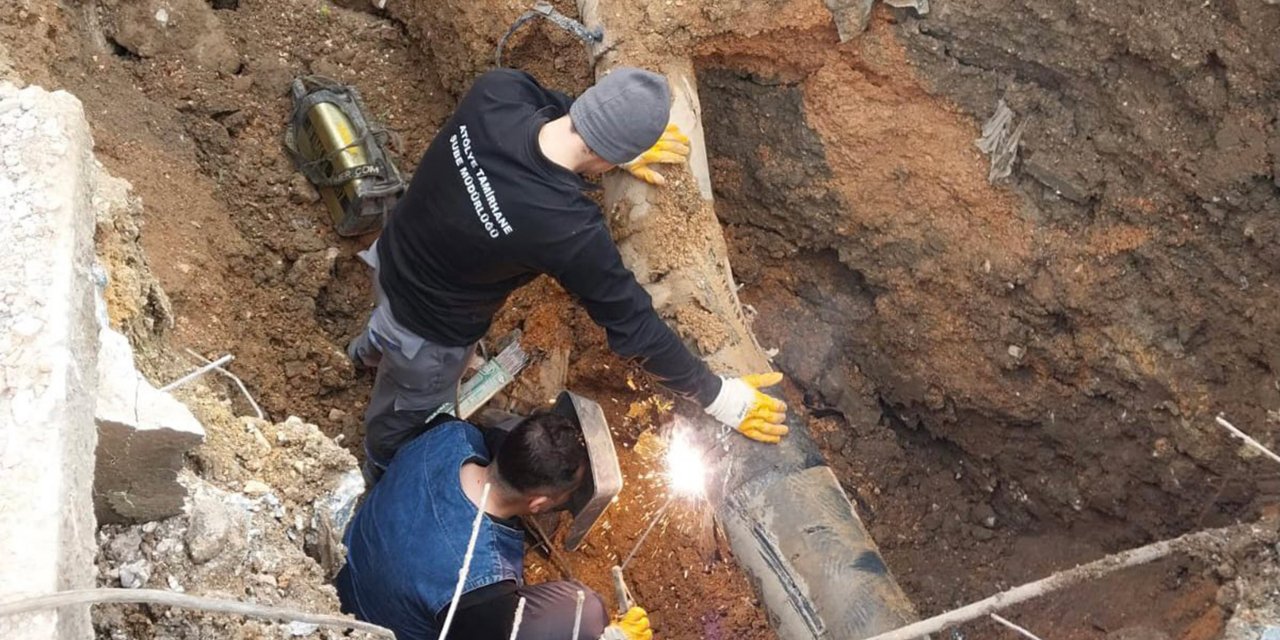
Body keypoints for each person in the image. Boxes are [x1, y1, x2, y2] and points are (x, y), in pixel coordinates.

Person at [348, 66, 789, 479]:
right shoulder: (566, 227)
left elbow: (556, 108)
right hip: (429, 333)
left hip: (391, 254)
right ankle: (380, 470)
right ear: (610, 154)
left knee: (385, 331)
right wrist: (717, 396)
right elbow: (633, 325)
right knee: (405, 420)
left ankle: (365, 355)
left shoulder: (497, 92)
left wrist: (610, 143)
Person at [335, 410, 652, 640]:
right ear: (539, 504)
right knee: (587, 611)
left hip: (348, 568)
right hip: (366, 626)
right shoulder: (481, 587)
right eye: (567, 495)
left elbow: (487, 433)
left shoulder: (452, 433)